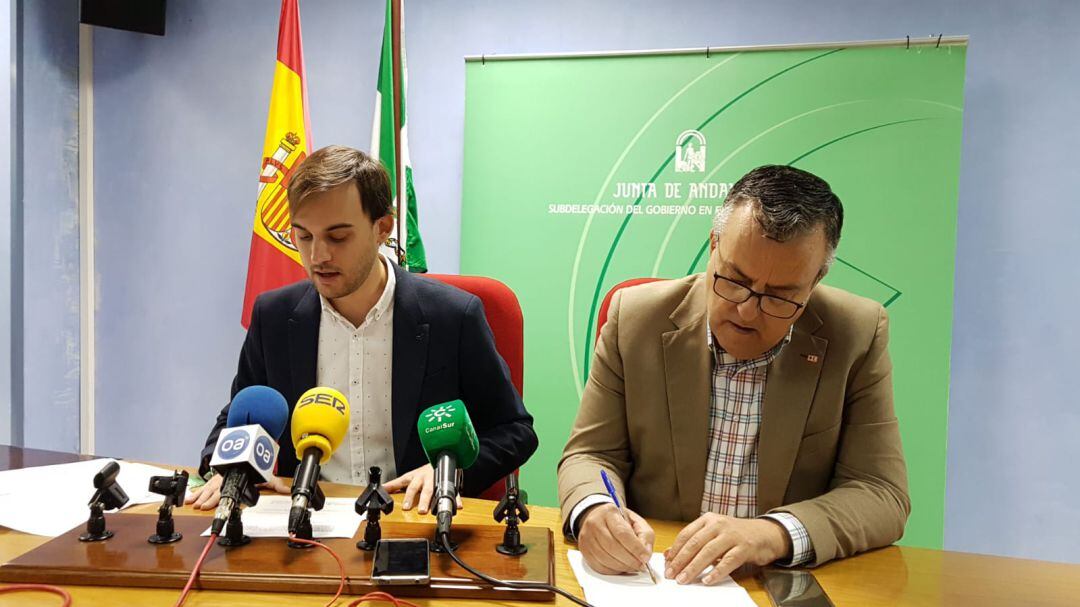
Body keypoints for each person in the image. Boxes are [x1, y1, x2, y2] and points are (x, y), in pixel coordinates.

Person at [558, 165, 909, 585]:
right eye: (734, 280)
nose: (746, 310)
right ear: (713, 245)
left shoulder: (856, 333)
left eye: (779, 296)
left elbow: (880, 492)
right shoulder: (635, 318)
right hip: (654, 579)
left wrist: (773, 533)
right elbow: (591, 454)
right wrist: (594, 511)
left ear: (816, 280)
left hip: (773, 583)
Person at [188, 145, 537, 513]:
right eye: (303, 236)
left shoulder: (453, 316)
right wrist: (226, 469)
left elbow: (514, 430)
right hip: (306, 518)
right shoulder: (274, 316)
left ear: (382, 228)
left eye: (337, 237)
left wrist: (447, 473)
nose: (318, 256)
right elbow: (241, 415)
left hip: (410, 516)